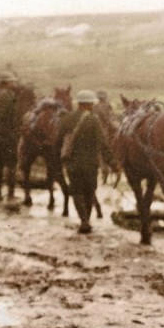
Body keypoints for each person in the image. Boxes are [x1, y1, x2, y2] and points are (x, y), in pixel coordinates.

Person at [57, 90, 111, 233]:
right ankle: (87, 220)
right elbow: (103, 144)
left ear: (79, 103)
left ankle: (84, 220)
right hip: (91, 163)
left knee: (76, 191)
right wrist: (112, 163)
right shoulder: (94, 120)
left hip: (72, 163)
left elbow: (57, 141)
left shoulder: (67, 119)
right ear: (90, 104)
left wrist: (58, 161)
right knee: (89, 191)